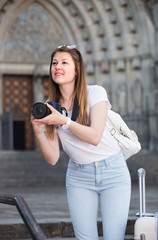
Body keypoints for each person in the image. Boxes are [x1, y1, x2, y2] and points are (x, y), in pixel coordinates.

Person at [31, 45, 131, 240]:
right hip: (78, 177)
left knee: (114, 237)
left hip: (113, 172)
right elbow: (52, 158)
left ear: (77, 69)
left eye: (64, 63)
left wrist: (64, 121)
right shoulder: (51, 106)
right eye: (54, 63)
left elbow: (94, 137)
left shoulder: (96, 93)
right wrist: (38, 133)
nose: (57, 67)